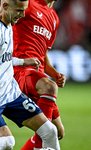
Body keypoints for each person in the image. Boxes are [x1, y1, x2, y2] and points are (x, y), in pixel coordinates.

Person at [0, 0, 61, 149]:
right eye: (19, 10)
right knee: (6, 143)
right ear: (5, 6)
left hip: (10, 93)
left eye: (24, 10)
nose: (23, 15)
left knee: (50, 131)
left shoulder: (8, 24)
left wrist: (23, 61)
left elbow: (1, 58)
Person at [12, 0, 66, 149]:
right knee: (49, 87)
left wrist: (54, 73)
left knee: (58, 131)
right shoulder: (28, 4)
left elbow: (42, 53)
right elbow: (5, 22)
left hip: (37, 77)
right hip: (20, 71)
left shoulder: (54, 18)